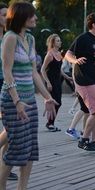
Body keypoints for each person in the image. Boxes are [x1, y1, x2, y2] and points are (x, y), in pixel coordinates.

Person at [0, 2, 57, 189]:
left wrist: (47, 97)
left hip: (30, 100)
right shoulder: (10, 38)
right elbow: (7, 72)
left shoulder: (30, 39)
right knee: (16, 148)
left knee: (30, 148)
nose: (35, 18)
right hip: (12, 100)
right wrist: (17, 101)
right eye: (32, 15)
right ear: (21, 16)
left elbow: (34, 73)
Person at [65, 12, 95, 153]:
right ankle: (84, 140)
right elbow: (68, 54)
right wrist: (75, 60)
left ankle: (94, 141)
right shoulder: (83, 38)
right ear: (94, 25)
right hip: (84, 79)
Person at [0, 2, 18, 181]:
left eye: (8, 15)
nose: (7, 18)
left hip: (9, 84)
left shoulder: (10, 36)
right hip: (3, 84)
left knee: (9, 127)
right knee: (10, 128)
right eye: (3, 15)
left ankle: (4, 165)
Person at [41, 34, 66, 132]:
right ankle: (50, 123)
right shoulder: (49, 54)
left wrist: (67, 77)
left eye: (60, 40)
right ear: (53, 42)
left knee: (58, 102)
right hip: (50, 80)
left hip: (57, 81)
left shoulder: (59, 54)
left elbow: (59, 70)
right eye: (58, 41)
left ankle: (51, 123)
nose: (60, 42)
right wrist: (48, 82)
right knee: (54, 102)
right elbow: (42, 70)